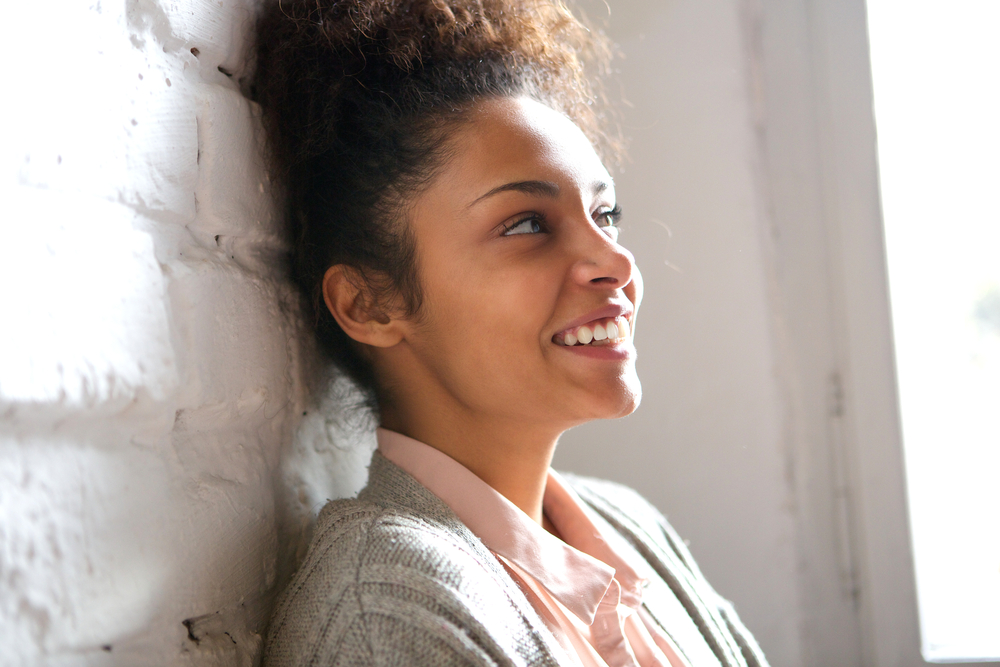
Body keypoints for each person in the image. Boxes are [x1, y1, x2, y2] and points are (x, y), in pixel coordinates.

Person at [254, 0, 769, 665]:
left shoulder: (628, 526)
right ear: (370, 302)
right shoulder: (384, 612)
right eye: (527, 224)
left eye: (605, 213)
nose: (617, 260)